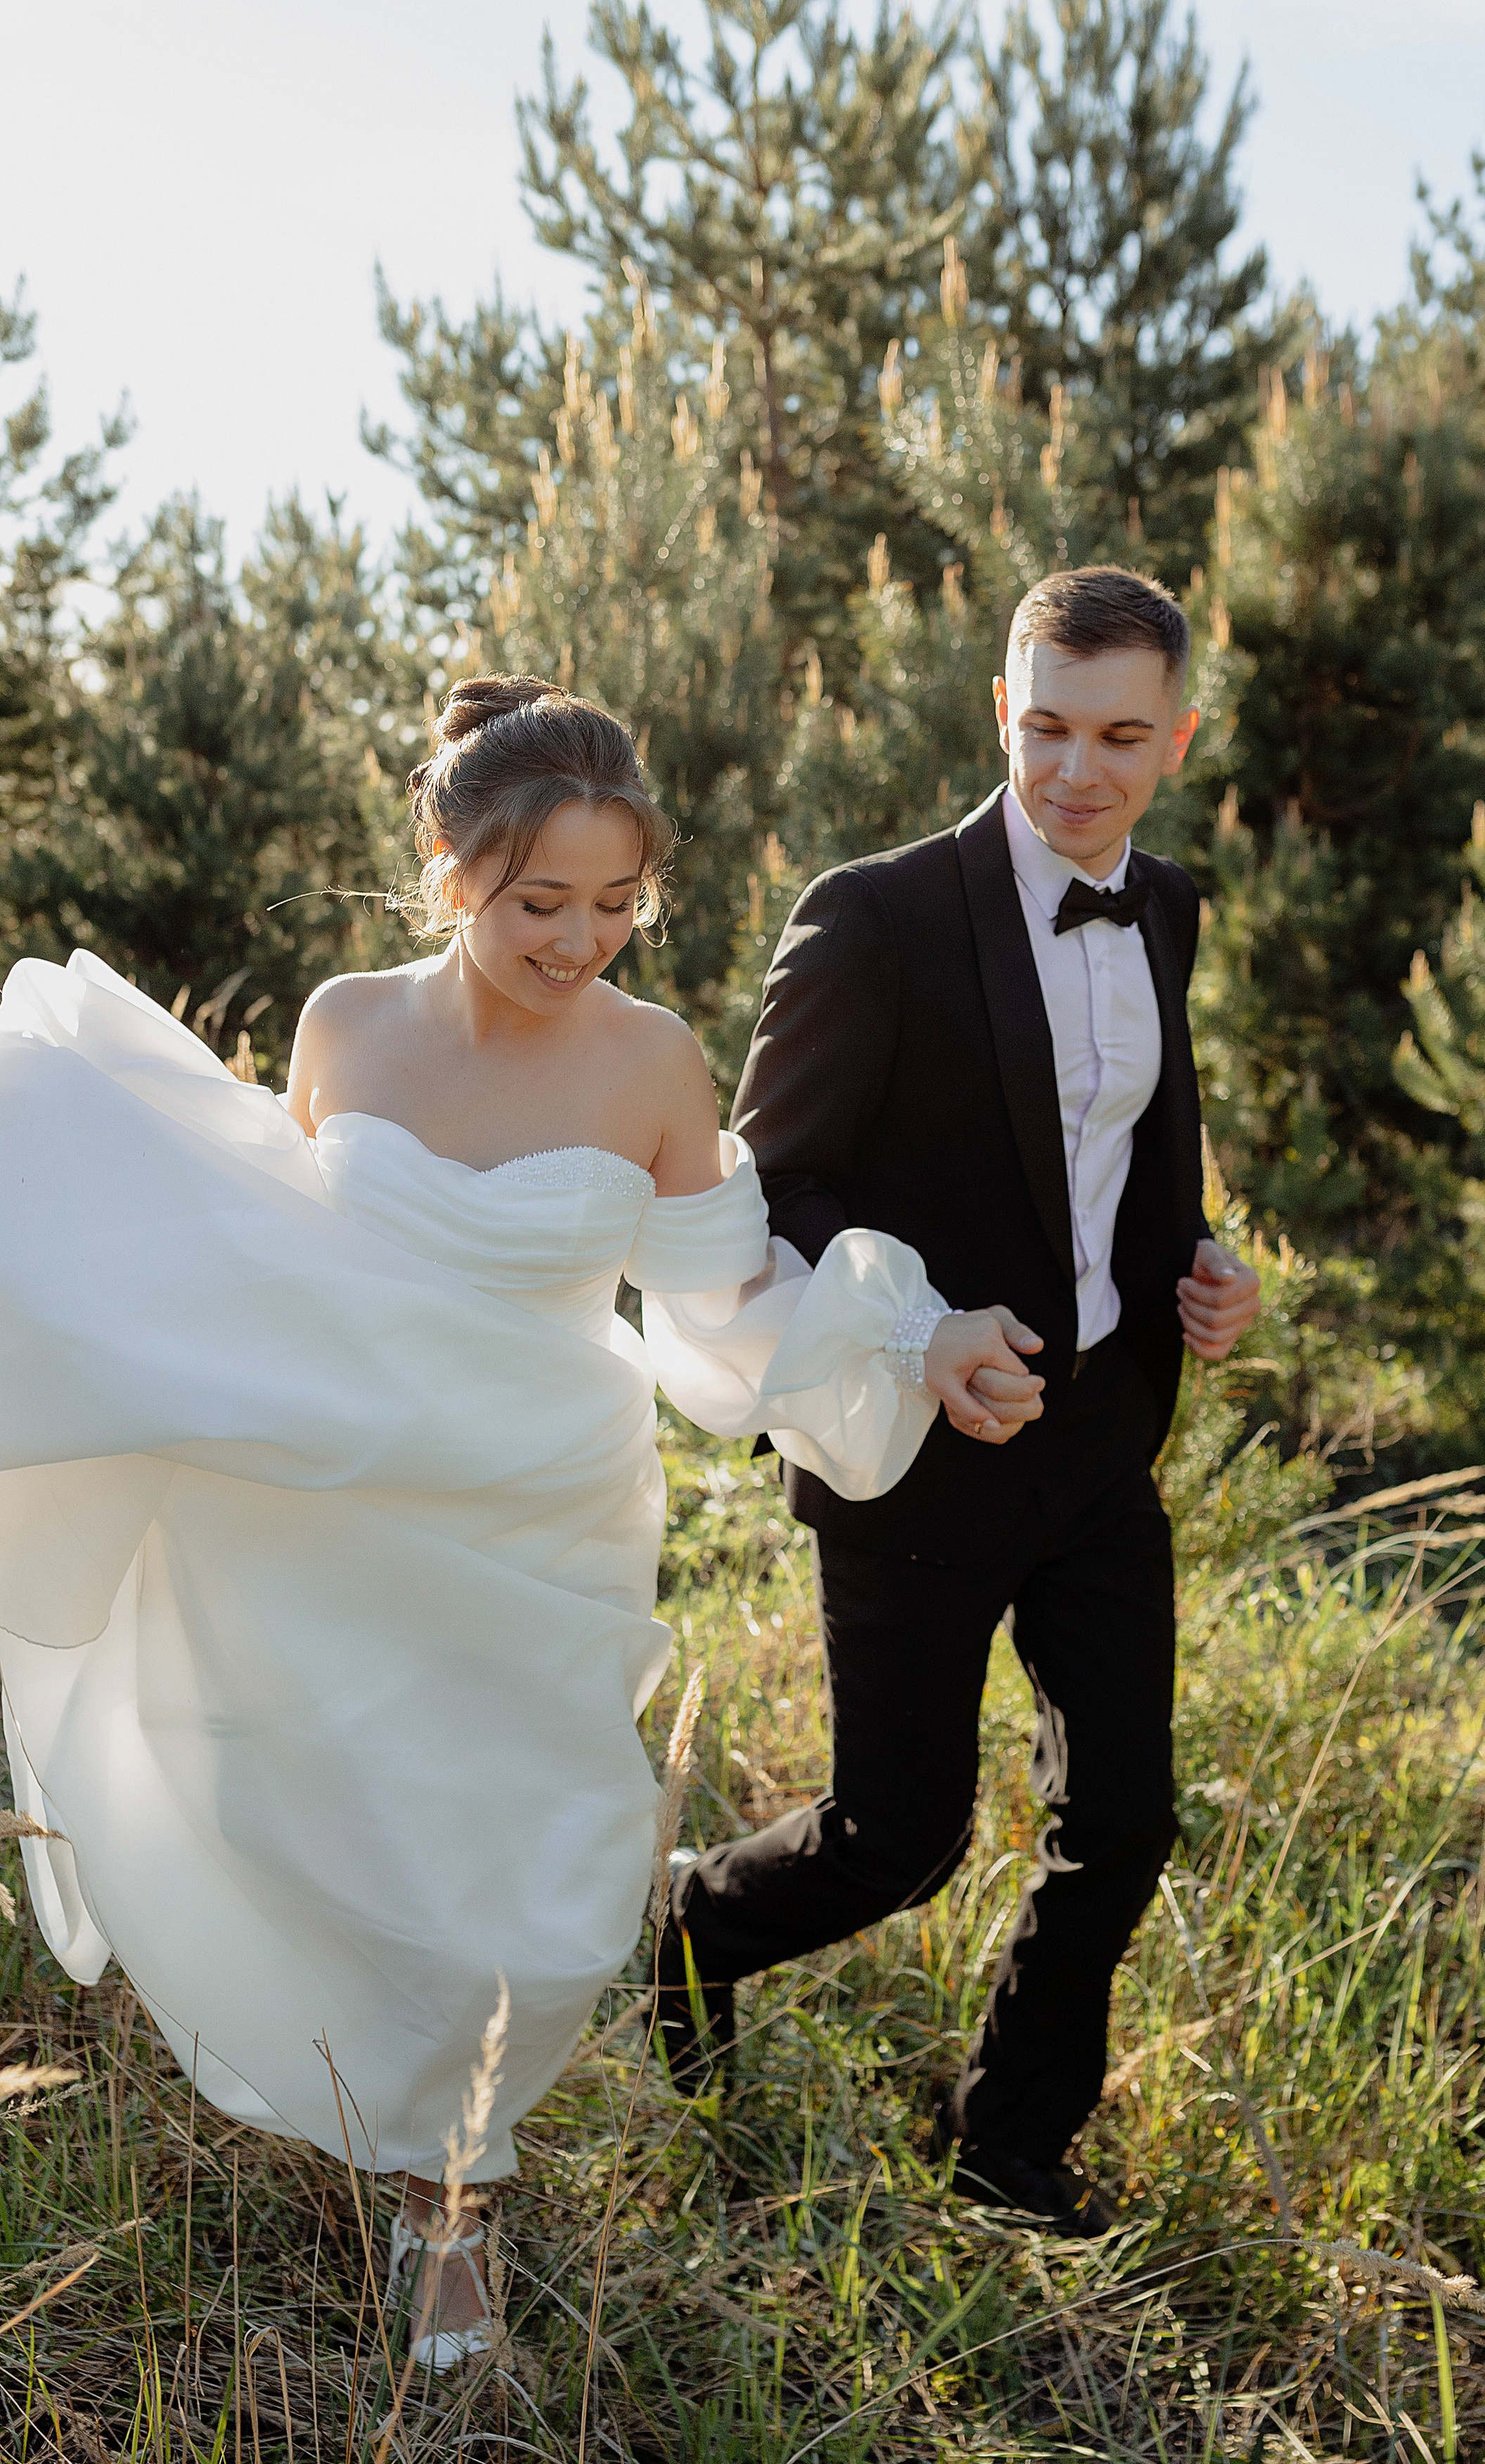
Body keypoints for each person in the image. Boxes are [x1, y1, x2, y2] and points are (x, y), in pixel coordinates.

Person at [0, 675, 1042, 2365]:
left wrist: (918, 1342)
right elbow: (283, 1250)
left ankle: (457, 2195)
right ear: (446, 867)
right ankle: (414, 2165)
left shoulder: (654, 1062)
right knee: (326, 1824)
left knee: (535, 1880)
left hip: (539, 1517)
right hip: (337, 1509)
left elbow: (722, 1308)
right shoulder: (343, 1026)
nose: (580, 942)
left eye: (616, 904)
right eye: (537, 902)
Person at [655, 567, 1263, 2235]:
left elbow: (1128, 1148)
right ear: (1002, 711)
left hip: (1095, 1446)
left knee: (1121, 1824)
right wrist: (918, 1332)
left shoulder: (1171, 909)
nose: (1079, 770)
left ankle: (1005, 2153)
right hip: (911, 1449)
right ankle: (683, 1937)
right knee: (892, 1838)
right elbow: (765, 1199)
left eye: (1120, 736)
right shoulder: (874, 918)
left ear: (1176, 739)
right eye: (1048, 727)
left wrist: (1199, 1265)